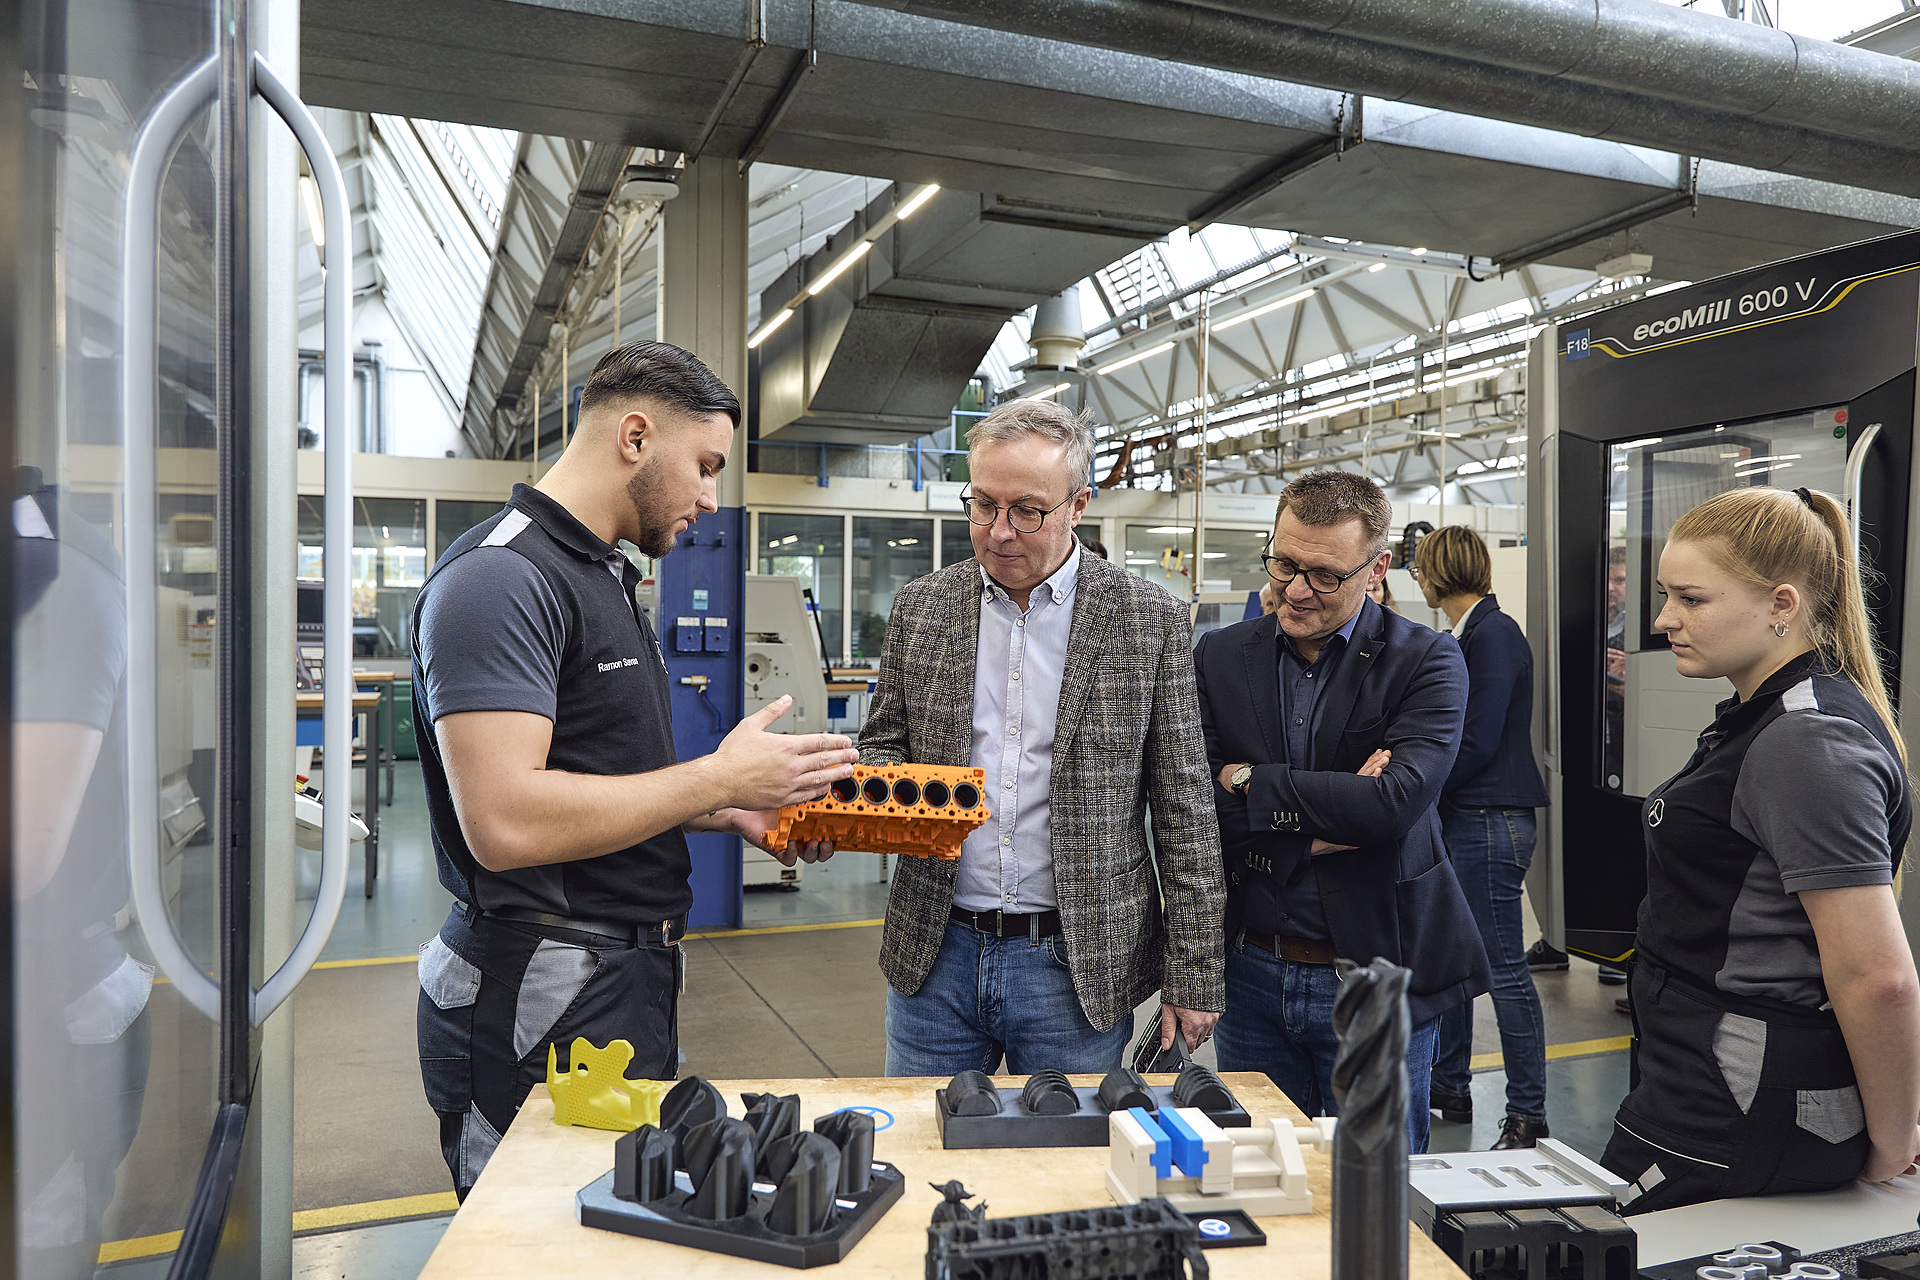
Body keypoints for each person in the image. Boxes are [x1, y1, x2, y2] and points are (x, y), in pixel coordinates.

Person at [411, 342, 858, 1198]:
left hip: (621, 978)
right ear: (636, 435)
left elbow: (594, 779)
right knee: (535, 1241)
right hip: (541, 986)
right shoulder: (501, 579)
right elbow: (505, 823)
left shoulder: (603, 575)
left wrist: (729, 811)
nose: (708, 496)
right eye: (705, 465)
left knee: (613, 1223)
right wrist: (718, 780)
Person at [860, 399, 1226, 1076]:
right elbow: (882, 746)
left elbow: (1185, 812)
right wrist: (857, 801)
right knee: (920, 1155)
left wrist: (1195, 972)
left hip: (1072, 964)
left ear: (1078, 505)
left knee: (1073, 1166)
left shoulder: (1148, 622)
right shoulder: (923, 607)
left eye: (1027, 510)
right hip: (935, 953)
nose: (999, 532)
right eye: (983, 505)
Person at [1604, 485, 1920, 1213]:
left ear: (1782, 604)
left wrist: (1893, 1135)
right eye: (1663, 595)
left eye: (1691, 599)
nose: (1664, 620)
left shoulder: (1806, 743)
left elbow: (1878, 977)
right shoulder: (1769, 718)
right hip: (1702, 1087)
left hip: (1729, 1111)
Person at [1196, 469, 1488, 1154]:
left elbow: (1391, 806)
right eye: (1284, 563)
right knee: (1265, 1185)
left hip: (1372, 973)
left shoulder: (1428, 661)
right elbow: (1195, 808)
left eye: (1324, 576)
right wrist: (1327, 820)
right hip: (1252, 974)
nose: (1294, 590)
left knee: (1377, 1199)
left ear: (1377, 567)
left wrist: (1245, 781)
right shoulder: (1217, 656)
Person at [1415, 526, 1551, 1149]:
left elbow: (1477, 739)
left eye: (1420, 568)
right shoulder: (1471, 634)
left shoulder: (1493, 636)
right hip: (1474, 815)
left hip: (1489, 818)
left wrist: (1419, 782)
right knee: (1459, 959)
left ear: (1438, 573)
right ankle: (1451, 1083)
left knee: (1501, 968)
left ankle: (1527, 1113)